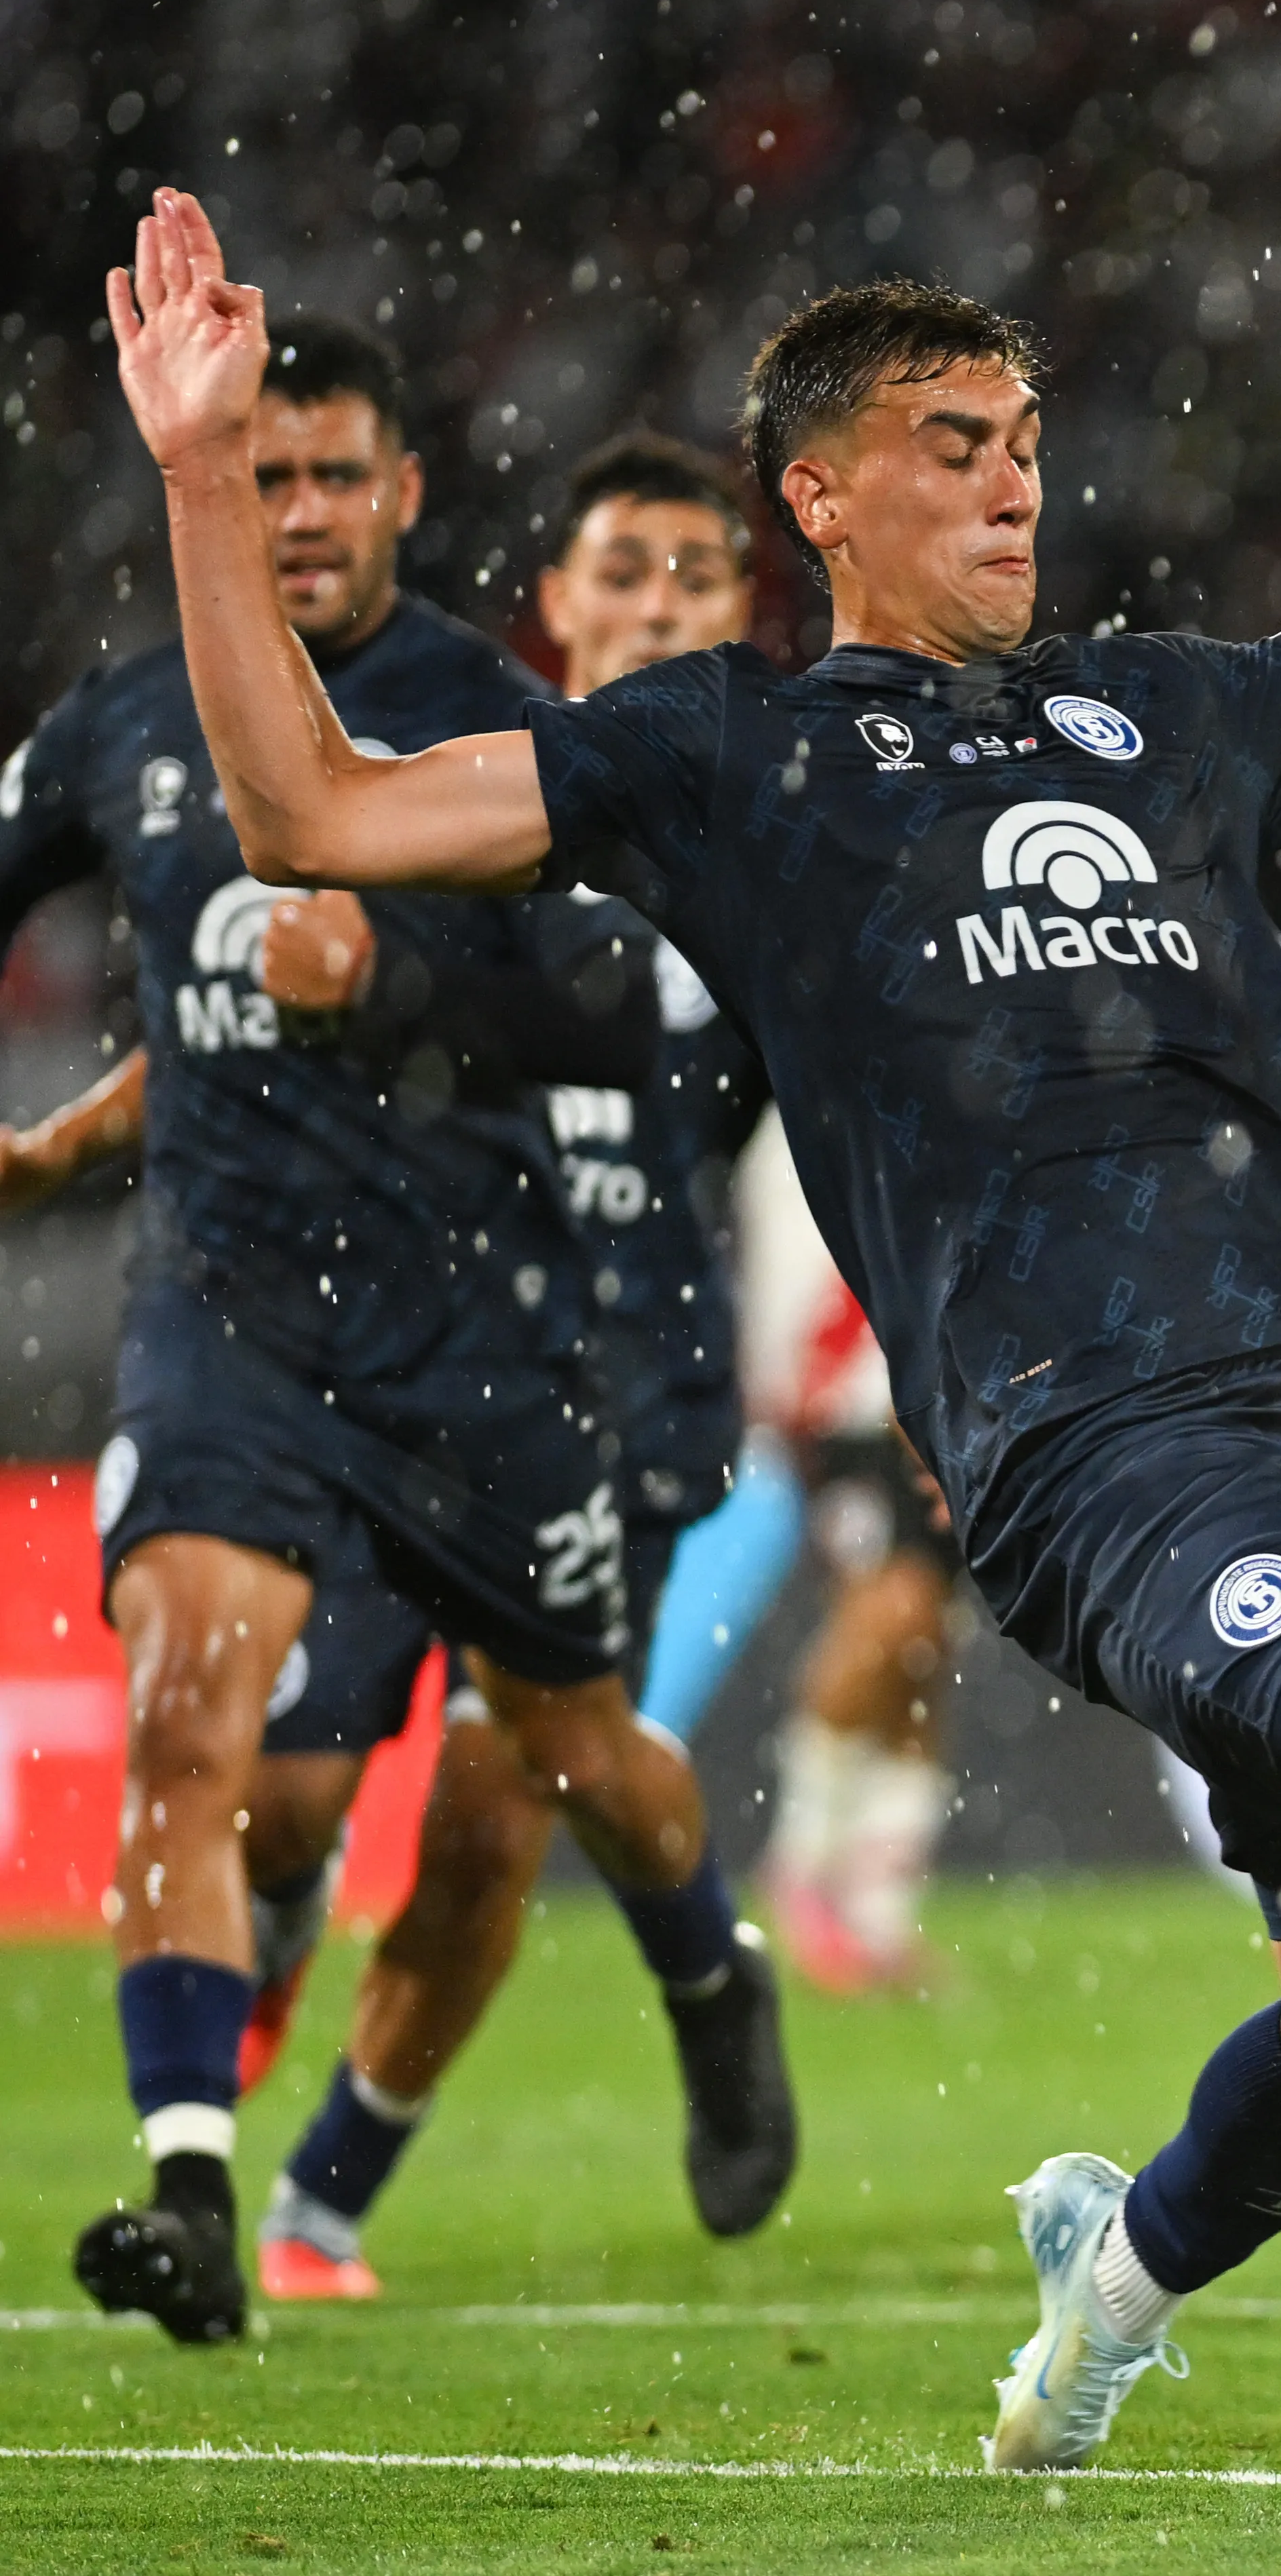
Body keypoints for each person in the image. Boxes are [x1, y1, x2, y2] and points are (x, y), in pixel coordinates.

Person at [100, 71, 1281, 2474]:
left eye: (1025, 431)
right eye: (952, 439)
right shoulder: (733, 755)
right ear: (817, 496)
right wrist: (199, 470)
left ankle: (1099, 2297)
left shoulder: (1173, 713)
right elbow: (316, 812)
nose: (1017, 471)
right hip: (1086, 1445)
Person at [0, 317, 797, 2343]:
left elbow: (617, 1010)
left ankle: (706, 1978)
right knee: (219, 1752)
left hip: (511, 1352)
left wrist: (397, 987)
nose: (299, 516)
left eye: (333, 476)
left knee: (544, 1782)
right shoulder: (125, 723)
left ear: (405, 495)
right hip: (239, 1334)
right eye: (259, 478)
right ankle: (202, 2179)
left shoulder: (502, 729)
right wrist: (76, 1137)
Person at [243, 429, 784, 2299]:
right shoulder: (443, 801)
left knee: (494, 1815)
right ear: (551, 607)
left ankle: (323, 2201)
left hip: (620, 1381)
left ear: (743, 613)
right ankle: (694, 1956)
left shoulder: (776, 849)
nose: (654, 603)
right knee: (288, 1793)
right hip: (399, 1362)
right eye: (618, 570)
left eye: (693, 577)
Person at [732, 1114, 961, 1997]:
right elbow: (804, 1257)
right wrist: (806, 1391)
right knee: (890, 1612)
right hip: (853, 1409)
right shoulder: (803, 1105)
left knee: (928, 1642)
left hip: (931, 1395)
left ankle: (877, 1908)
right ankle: (801, 1863)